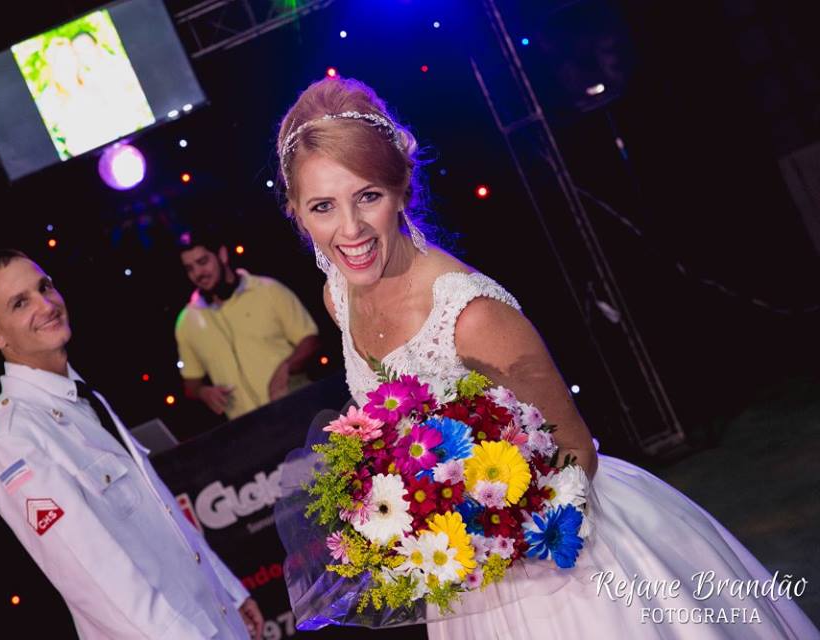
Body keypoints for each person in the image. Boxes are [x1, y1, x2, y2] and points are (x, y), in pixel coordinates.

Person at [274, 77, 819, 638]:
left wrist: (495, 525)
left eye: (369, 196)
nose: (350, 229)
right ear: (296, 212)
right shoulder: (338, 296)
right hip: (465, 585)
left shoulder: (468, 312)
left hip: (559, 570)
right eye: (323, 206)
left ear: (402, 188)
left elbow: (575, 447)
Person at [0, 250, 263, 640]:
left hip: (211, 619)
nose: (46, 305)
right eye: (20, 303)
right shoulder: (14, 440)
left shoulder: (83, 397)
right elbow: (92, 575)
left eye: (44, 287)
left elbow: (161, 513)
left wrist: (228, 591)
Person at [175, 230, 321, 420]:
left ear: (222, 255)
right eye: (189, 268)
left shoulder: (268, 290)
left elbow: (310, 340)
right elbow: (191, 383)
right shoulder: (187, 320)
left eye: (203, 262)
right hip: (249, 427)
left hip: (299, 409)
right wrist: (203, 392)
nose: (198, 273)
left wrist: (287, 367)